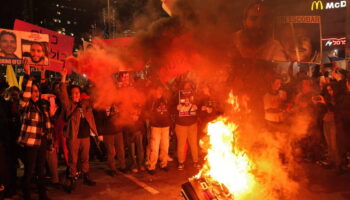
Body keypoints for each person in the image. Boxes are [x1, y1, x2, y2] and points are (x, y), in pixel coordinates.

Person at [59, 67, 101, 193]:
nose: (76, 94)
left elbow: (95, 98)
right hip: (73, 137)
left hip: (85, 136)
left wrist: (94, 80)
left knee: (85, 158)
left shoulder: (85, 103)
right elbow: (63, 94)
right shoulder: (69, 105)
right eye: (74, 92)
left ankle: (86, 175)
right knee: (73, 159)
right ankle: (72, 178)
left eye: (78, 92)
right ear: (71, 95)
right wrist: (63, 78)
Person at [18, 65, 54, 200]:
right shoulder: (26, 105)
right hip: (31, 142)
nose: (35, 93)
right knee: (29, 170)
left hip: (42, 141)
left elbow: (46, 91)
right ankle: (27, 194)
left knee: (41, 170)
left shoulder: (42, 105)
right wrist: (28, 74)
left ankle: (42, 194)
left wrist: (43, 75)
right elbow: (26, 94)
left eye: (37, 91)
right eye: (33, 91)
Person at [146, 84, 172, 174]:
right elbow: (148, 112)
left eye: (161, 90)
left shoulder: (165, 100)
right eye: (158, 90)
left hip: (165, 126)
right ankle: (152, 166)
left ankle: (163, 164)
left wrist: (170, 125)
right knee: (154, 148)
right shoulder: (152, 101)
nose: (159, 91)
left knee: (165, 146)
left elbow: (169, 112)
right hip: (156, 127)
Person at [175, 81, 199, 170]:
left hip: (192, 124)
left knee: (193, 144)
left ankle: (196, 161)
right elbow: (171, 108)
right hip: (181, 125)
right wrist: (176, 108)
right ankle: (181, 162)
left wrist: (197, 107)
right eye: (186, 86)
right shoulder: (177, 96)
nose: (187, 88)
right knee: (181, 144)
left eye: (189, 87)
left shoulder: (194, 96)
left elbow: (199, 107)